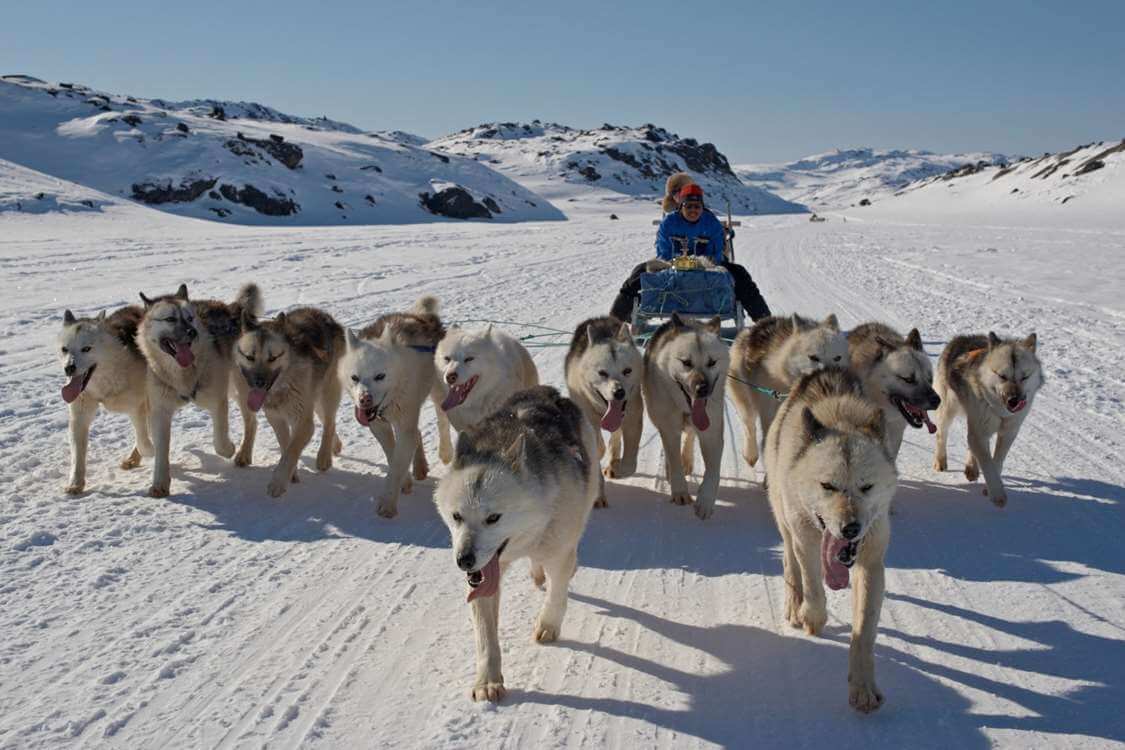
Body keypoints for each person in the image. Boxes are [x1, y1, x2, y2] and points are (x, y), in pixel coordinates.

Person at [608, 183, 772, 323]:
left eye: (697, 206)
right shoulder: (670, 222)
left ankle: (766, 322)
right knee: (638, 273)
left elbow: (717, 253)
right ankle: (614, 321)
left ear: (702, 207)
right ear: (681, 206)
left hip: (707, 265)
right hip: (671, 263)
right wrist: (680, 262)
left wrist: (698, 262)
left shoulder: (711, 222)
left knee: (740, 274)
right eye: (689, 206)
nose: (693, 210)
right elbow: (663, 252)